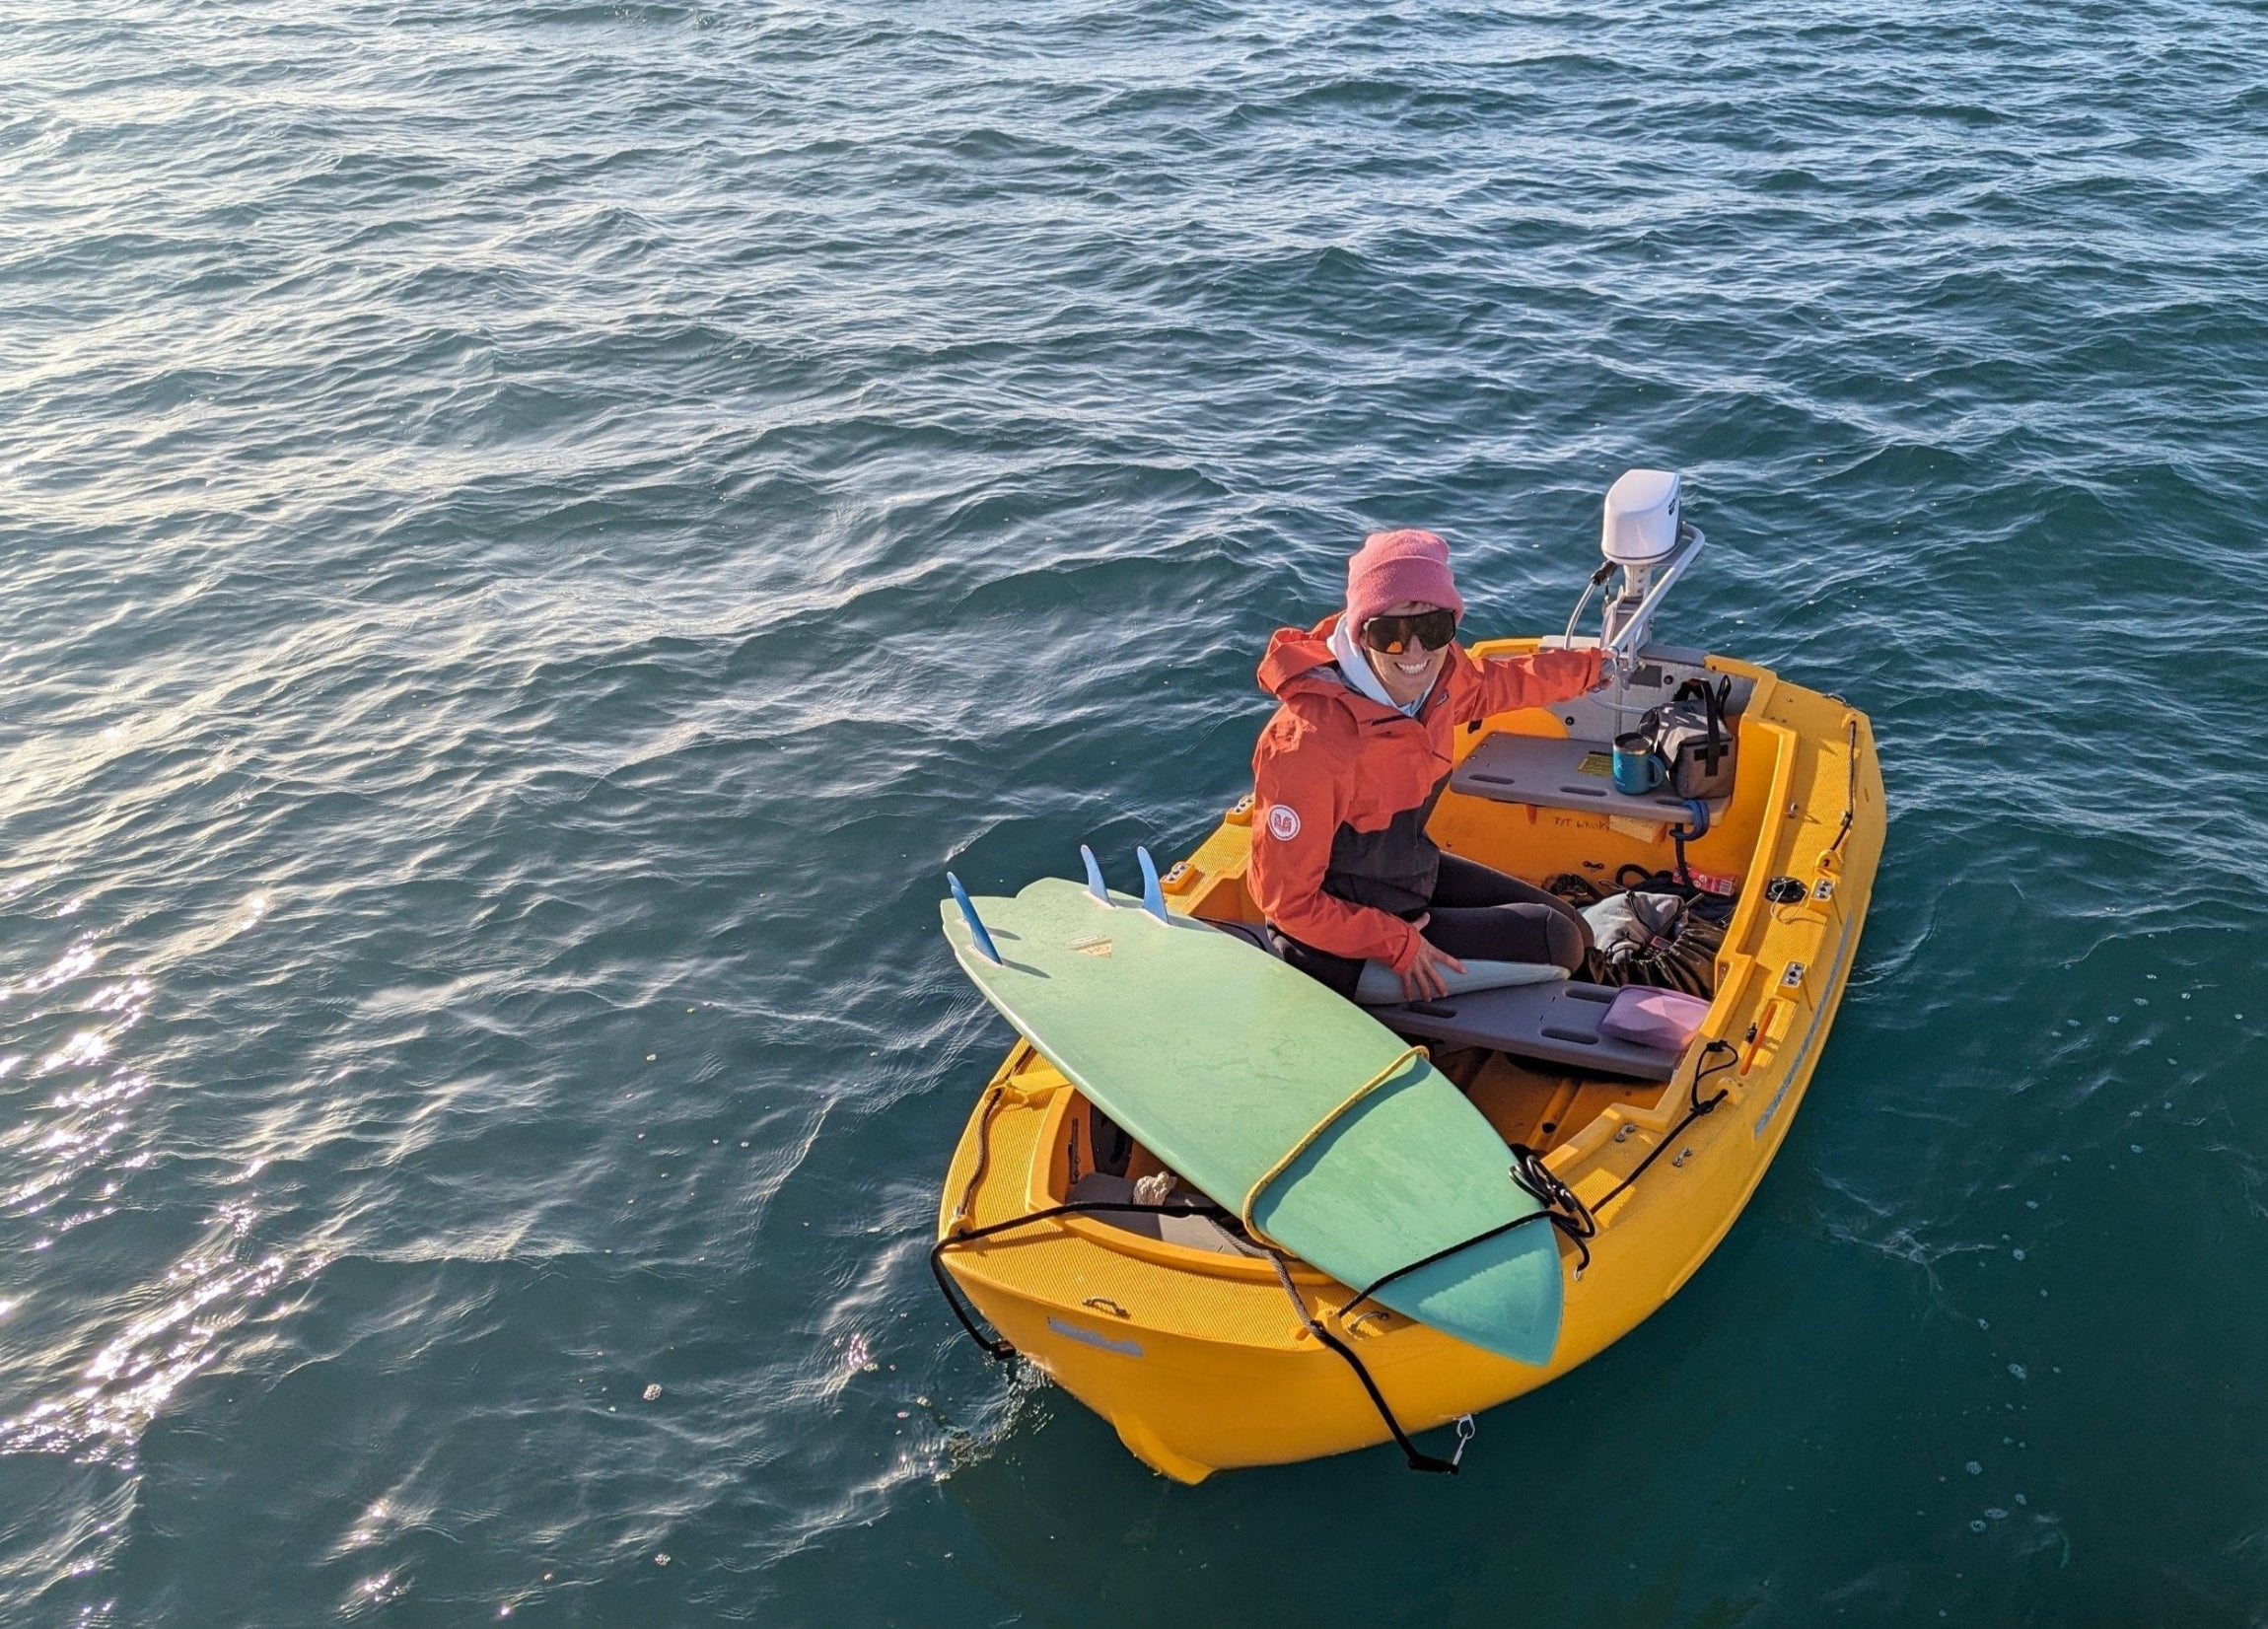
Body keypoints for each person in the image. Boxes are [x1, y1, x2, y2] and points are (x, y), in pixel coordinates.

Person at [1248, 528, 1605, 1003]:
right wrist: (1395, 943)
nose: (1415, 651)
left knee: (1575, 926)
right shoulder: (1306, 746)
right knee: (1556, 941)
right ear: (1360, 634)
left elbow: (1498, 685)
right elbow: (1287, 903)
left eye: (1433, 627)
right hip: (1336, 947)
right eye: (1390, 633)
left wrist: (1593, 669)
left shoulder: (1438, 683)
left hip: (1405, 875)